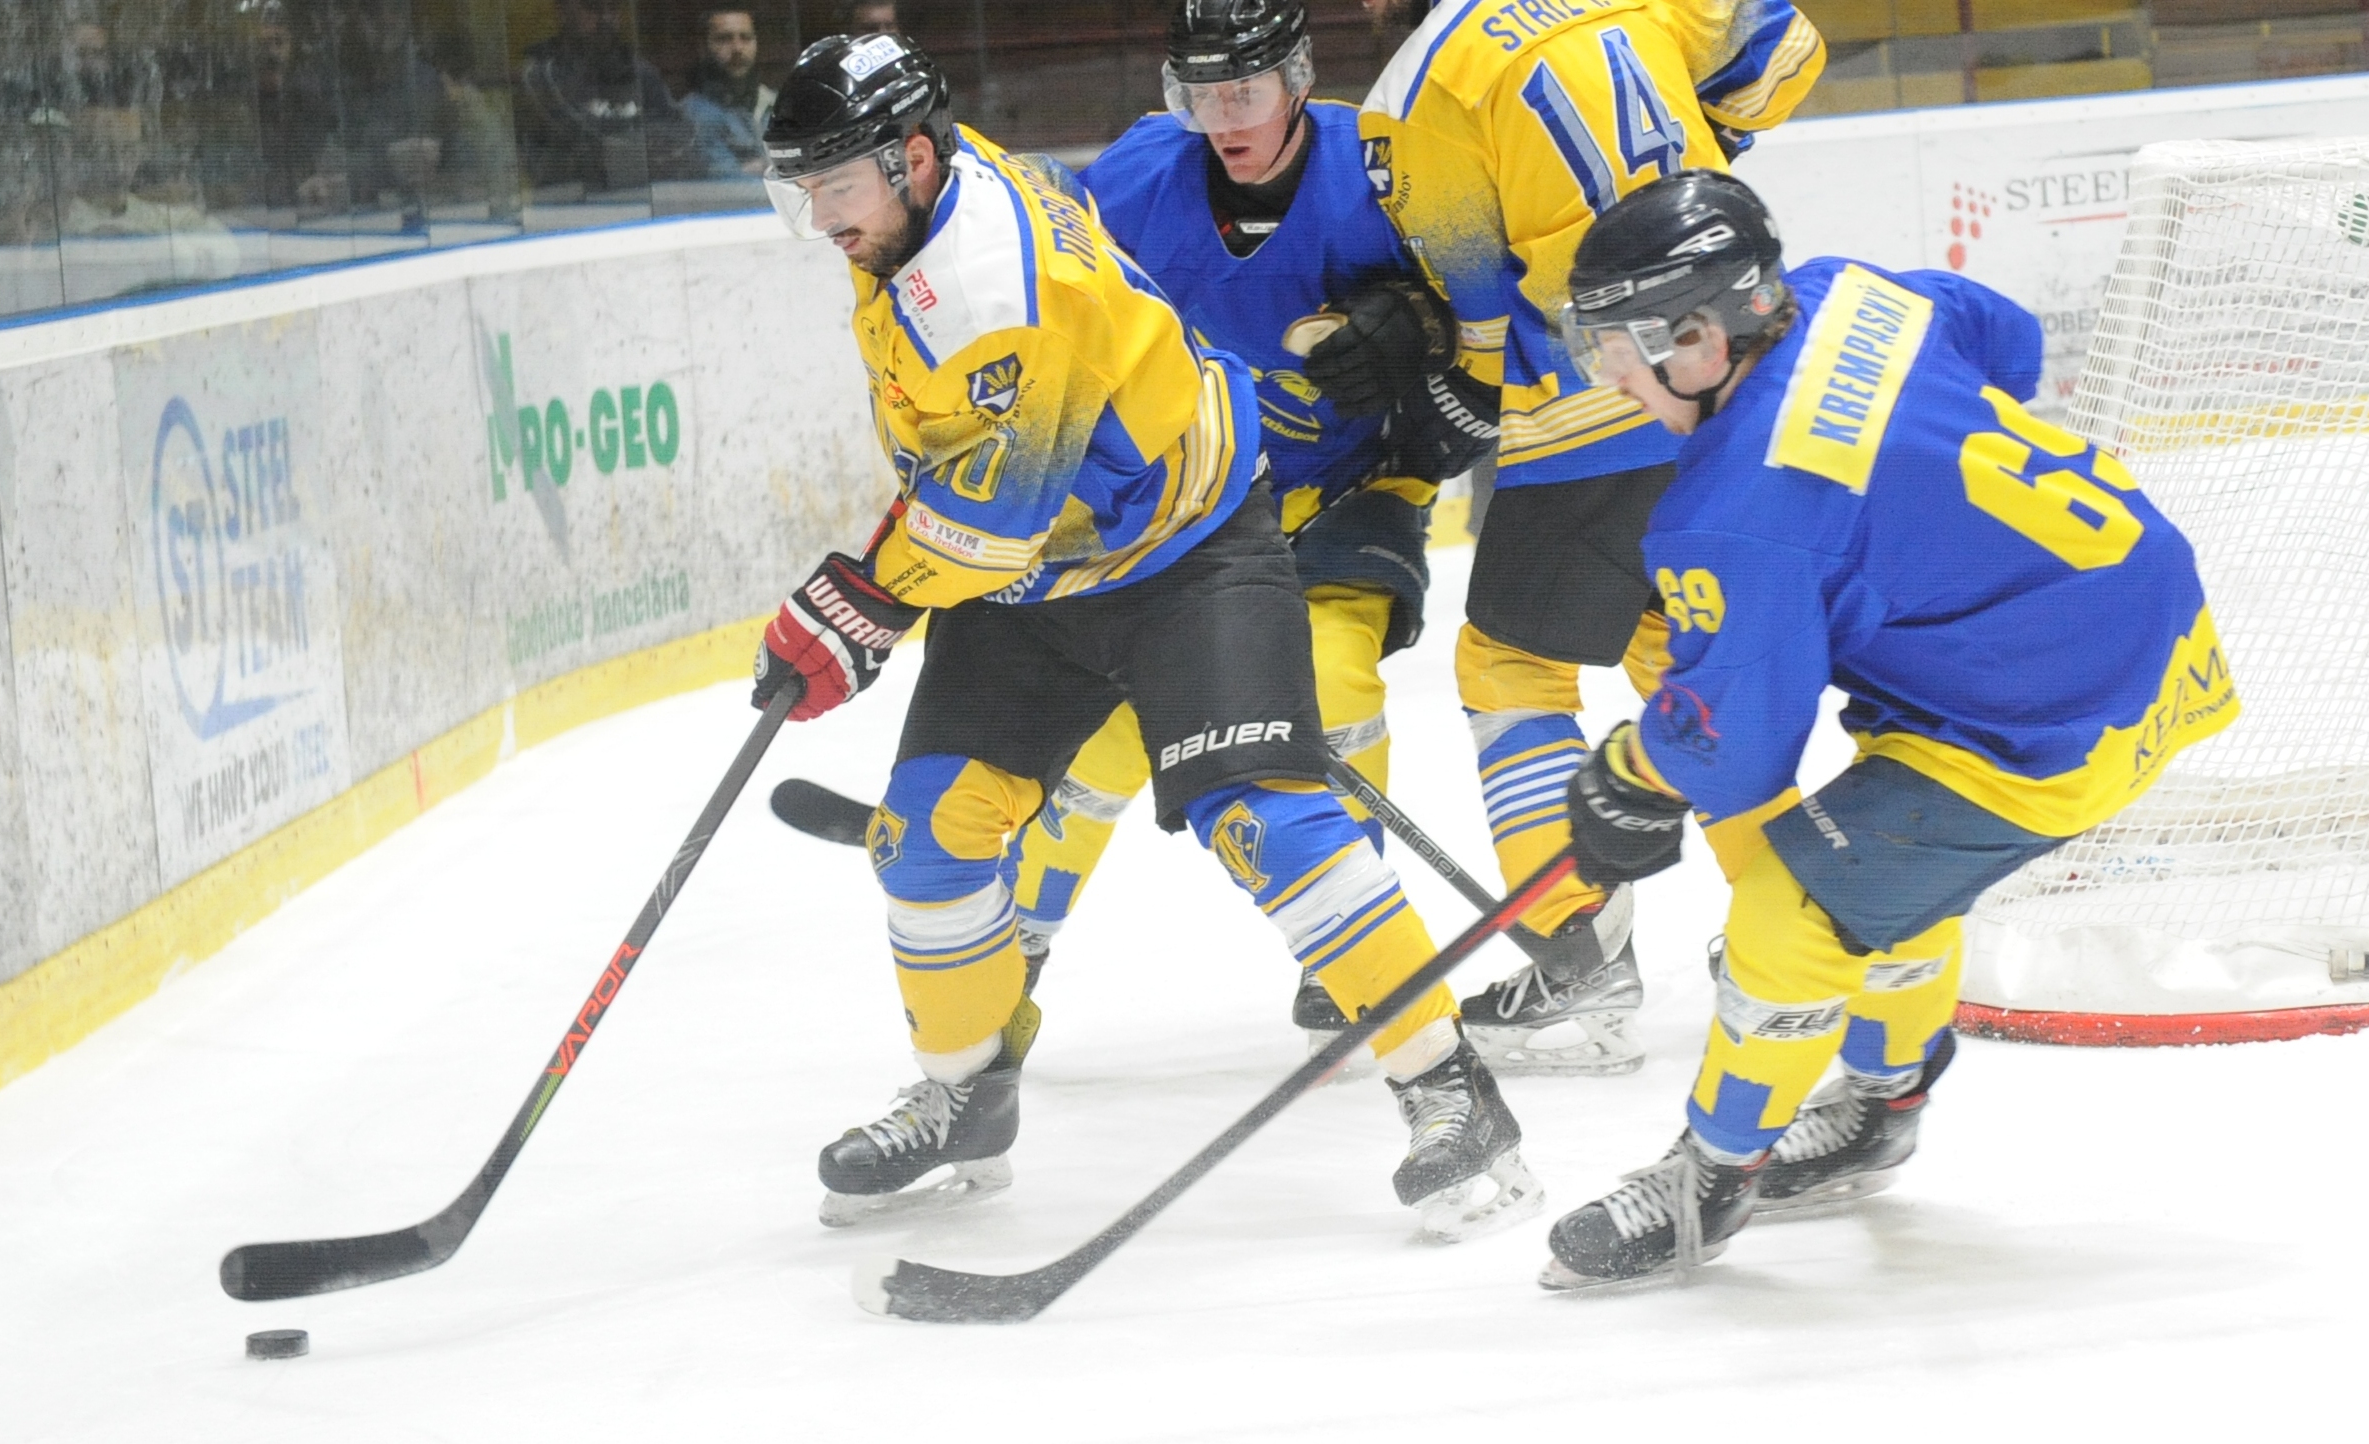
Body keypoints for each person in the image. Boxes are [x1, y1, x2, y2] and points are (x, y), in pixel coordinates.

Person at [753, 32, 1540, 1243]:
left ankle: (1451, 1095)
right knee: (926, 838)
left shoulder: (994, 282)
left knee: (1267, 822)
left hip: (1186, 555)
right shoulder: (931, 202)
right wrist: (870, 586)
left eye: (836, 187)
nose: (820, 220)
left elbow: (998, 512)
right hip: (1039, 580)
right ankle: (966, 1100)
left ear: (911, 158)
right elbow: (972, 470)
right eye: (804, 191)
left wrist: (861, 603)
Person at [1536, 171, 2239, 1289]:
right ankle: (1882, 1106)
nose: (1610, 376)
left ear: (1701, 337)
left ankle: (1711, 1178)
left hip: (2050, 717)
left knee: (1792, 906)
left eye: (1620, 348)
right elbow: (2004, 338)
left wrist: (1631, 771)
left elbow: (1740, 741)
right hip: (2131, 623)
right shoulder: (1852, 294)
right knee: (1888, 879)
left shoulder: (1741, 511)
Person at [1307, 0, 1825, 1073]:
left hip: (1603, 402)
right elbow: (1787, 51)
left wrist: (1454, 389)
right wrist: (1687, 181)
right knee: (1677, 655)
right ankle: (1797, 927)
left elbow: (1474, 300)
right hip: (1736, 376)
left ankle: (1573, 943)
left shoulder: (1421, 86)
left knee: (1512, 667)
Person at [1000, 0, 1503, 1067]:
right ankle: (1011, 949)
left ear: (1298, 77)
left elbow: (1483, 311)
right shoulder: (1136, 179)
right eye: (1201, 94)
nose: (1224, 118)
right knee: (1115, 730)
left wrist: (1416, 329)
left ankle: (1353, 931)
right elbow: (1060, 299)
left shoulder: (1385, 167)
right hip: (1200, 501)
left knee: (1336, 674)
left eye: (1245, 91)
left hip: (1356, 485)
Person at [517, 0, 702, 193]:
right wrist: (647, 145)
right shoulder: (542, 73)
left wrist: (628, 148)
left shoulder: (639, 69)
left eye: (613, 7)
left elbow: (685, 136)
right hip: (570, 200)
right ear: (563, 11)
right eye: (593, 8)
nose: (606, 18)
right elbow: (585, 143)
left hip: (641, 193)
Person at [683, 7, 778, 179]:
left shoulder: (778, 103)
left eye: (746, 38)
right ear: (703, 47)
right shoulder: (694, 113)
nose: (737, 48)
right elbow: (725, 181)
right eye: (724, 39)